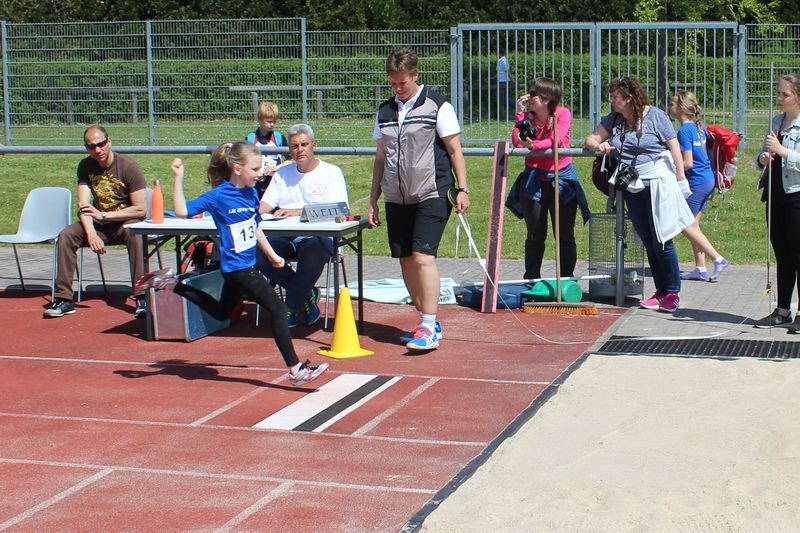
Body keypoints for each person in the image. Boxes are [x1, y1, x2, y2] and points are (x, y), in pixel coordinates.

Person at [137, 142, 329, 387]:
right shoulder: (219, 195)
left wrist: (271, 254)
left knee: (221, 313)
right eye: (255, 169)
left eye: (261, 168)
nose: (260, 173)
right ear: (237, 169)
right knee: (278, 310)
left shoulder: (251, 192)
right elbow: (183, 211)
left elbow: (255, 226)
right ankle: (296, 370)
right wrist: (178, 177)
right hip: (238, 268)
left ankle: (173, 284)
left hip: (246, 265)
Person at [368, 47, 470, 350]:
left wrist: (463, 189)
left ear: (415, 75)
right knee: (406, 261)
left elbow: (455, 150)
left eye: (402, 82)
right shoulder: (384, 112)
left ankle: (428, 324)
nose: (397, 88)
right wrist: (373, 200)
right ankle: (425, 320)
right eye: (393, 83)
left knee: (423, 257)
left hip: (432, 191)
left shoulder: (437, 105)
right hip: (396, 196)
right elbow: (380, 159)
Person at [585, 77, 695, 313]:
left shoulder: (656, 116)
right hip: (632, 186)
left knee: (661, 239)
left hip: (657, 184)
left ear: (629, 98)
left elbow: (674, 146)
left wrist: (680, 177)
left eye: (616, 97)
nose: (612, 101)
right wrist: (598, 146)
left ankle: (672, 291)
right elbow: (591, 138)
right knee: (647, 240)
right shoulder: (615, 119)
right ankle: (661, 291)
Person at [44, 125, 147, 319]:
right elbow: (83, 205)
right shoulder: (85, 166)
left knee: (135, 234)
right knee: (67, 235)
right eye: (91, 146)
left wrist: (105, 216)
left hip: (124, 222)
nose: (97, 150)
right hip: (98, 225)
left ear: (109, 141)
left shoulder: (128, 166)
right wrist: (91, 234)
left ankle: (142, 297)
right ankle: (64, 299)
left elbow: (141, 209)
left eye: (100, 144)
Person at [257, 123, 349, 328]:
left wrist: (298, 212)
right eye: (294, 146)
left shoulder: (331, 172)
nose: (299, 150)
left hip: (318, 239)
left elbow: (339, 209)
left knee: (314, 247)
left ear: (313, 145)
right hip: (284, 236)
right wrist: (249, 210)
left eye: (304, 144)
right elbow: (265, 205)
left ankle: (288, 307)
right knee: (256, 251)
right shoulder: (282, 174)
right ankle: (306, 293)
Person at [508, 77, 590, 280]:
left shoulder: (562, 114)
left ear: (546, 99)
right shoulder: (528, 116)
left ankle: (566, 279)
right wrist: (519, 114)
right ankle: (531, 279)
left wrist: (533, 146)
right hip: (533, 179)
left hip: (561, 179)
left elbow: (556, 140)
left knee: (564, 235)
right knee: (535, 234)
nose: (528, 97)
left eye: (533, 94)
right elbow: (517, 142)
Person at [754, 73, 800, 330]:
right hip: (775, 194)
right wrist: (762, 158)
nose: (779, 98)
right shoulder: (775, 121)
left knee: (798, 253)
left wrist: (783, 151)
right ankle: (783, 310)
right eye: (778, 93)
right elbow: (762, 154)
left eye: (785, 94)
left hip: (796, 195)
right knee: (782, 254)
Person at [669, 91, 730, 283]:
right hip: (707, 179)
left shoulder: (684, 131)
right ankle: (700, 268)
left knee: (683, 223)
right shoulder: (698, 127)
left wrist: (669, 170)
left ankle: (718, 259)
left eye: (672, 103)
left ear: (681, 108)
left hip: (697, 181)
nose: (670, 107)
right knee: (694, 226)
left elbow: (687, 163)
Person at [245, 101, 291, 197]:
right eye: (269, 122)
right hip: (254, 185)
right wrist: (255, 173)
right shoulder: (250, 138)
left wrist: (274, 169)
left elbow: (289, 161)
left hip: (274, 184)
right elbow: (244, 162)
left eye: (274, 121)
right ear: (260, 120)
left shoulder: (279, 138)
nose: (272, 124)